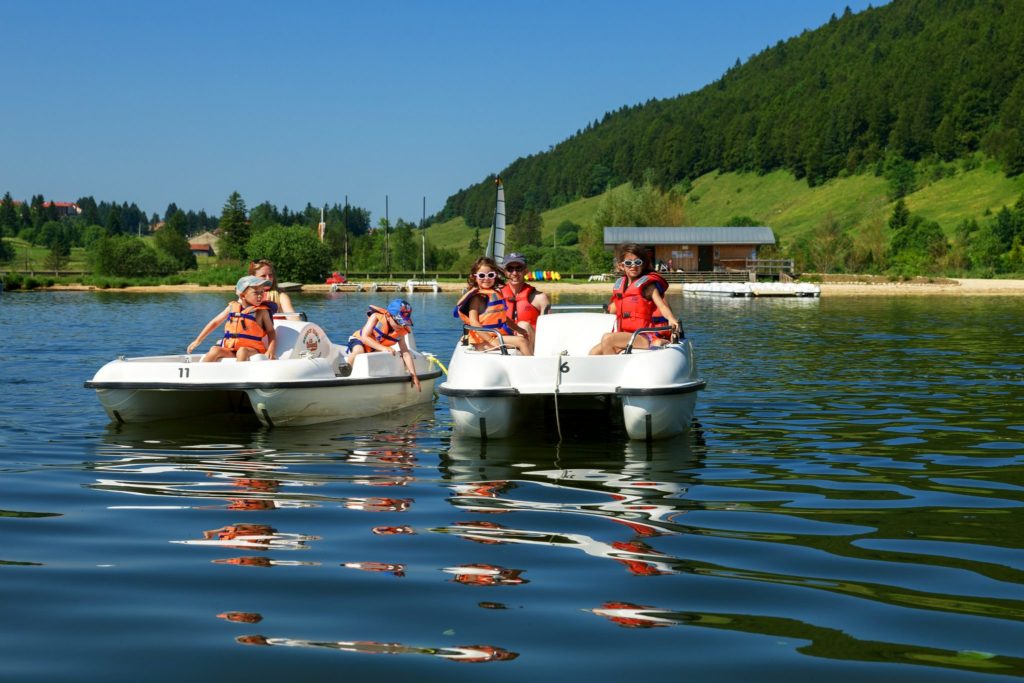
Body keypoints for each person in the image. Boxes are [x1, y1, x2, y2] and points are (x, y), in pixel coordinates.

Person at [589, 243, 680, 355]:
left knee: (607, 339)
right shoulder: (621, 286)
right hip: (626, 334)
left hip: (644, 335)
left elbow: (662, 306)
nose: (633, 266)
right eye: (628, 263)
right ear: (621, 266)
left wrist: (671, 318)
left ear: (643, 265)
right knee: (593, 352)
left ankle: (612, 368)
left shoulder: (648, 286)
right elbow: (613, 308)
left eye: (637, 262)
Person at [453, 257, 532, 355]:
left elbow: (503, 318)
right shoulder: (476, 298)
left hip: (494, 337)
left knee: (523, 338)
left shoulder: (495, 293)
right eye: (482, 275)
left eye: (490, 275)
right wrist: (491, 340)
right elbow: (473, 322)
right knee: (522, 342)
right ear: (474, 277)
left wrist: (519, 329)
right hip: (481, 342)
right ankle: (532, 369)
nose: (486, 279)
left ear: (495, 276)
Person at [187, 275, 277, 362]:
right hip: (232, 349)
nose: (260, 295)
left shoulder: (262, 312)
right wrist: (198, 340)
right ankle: (201, 374)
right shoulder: (232, 307)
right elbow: (215, 322)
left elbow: (271, 331)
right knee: (215, 350)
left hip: (252, 350)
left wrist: (271, 350)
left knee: (242, 351)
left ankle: (239, 375)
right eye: (256, 293)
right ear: (242, 296)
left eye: (262, 292)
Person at [345, 298, 421, 391]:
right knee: (358, 351)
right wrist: (383, 348)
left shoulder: (401, 332)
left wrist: (413, 375)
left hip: (374, 349)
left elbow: (405, 352)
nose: (401, 326)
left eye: (403, 323)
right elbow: (364, 337)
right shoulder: (376, 317)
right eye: (398, 321)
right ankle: (346, 369)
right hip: (359, 340)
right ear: (388, 315)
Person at [498, 252, 550, 344]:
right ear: (504, 272)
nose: (514, 273)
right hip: (504, 344)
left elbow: (547, 330)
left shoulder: (540, 298)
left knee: (523, 325)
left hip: (531, 344)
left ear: (526, 271)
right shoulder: (496, 296)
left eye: (519, 268)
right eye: (510, 269)